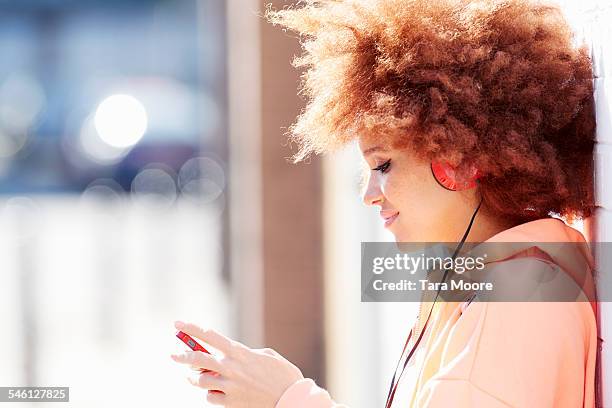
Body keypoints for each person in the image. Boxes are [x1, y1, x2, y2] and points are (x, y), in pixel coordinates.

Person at [170, 0, 601, 406]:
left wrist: (286, 398)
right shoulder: (512, 278)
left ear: (461, 162)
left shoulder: (515, 302)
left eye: (383, 165)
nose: (368, 194)